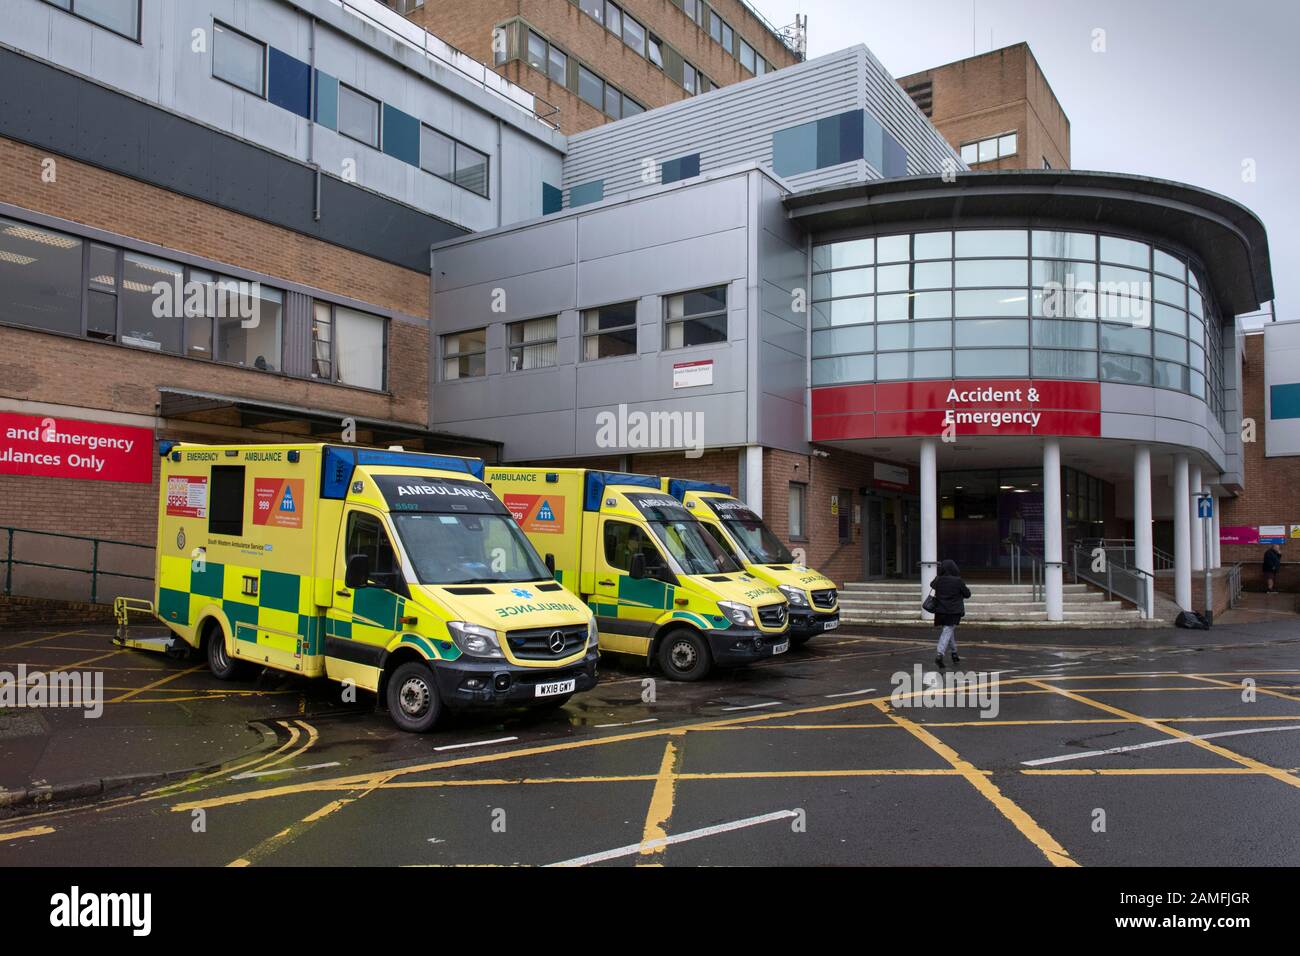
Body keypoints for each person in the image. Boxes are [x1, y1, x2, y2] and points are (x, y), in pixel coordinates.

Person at [930, 558, 971, 669]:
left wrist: (939, 577)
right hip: (953, 611)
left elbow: (931, 585)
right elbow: (967, 594)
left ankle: (954, 653)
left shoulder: (938, 580)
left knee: (948, 630)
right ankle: (940, 654)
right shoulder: (958, 581)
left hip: (940, 611)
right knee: (948, 630)